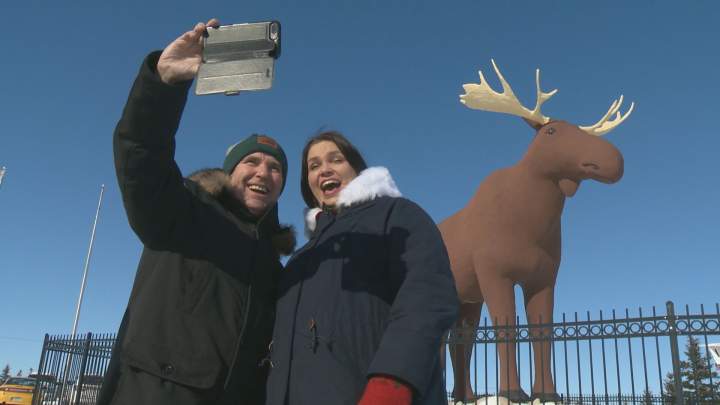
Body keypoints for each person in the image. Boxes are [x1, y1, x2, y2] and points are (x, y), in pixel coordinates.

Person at [97, 19, 295, 405]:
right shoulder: (182, 211)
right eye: (251, 162)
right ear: (229, 173)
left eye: (275, 169)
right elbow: (141, 153)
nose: (263, 173)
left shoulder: (273, 266)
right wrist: (162, 85)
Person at [265, 131, 459, 405]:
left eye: (336, 159)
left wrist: (391, 384)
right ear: (308, 183)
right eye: (314, 166)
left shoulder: (396, 216)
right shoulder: (299, 259)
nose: (324, 170)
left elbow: (428, 295)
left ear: (356, 169)